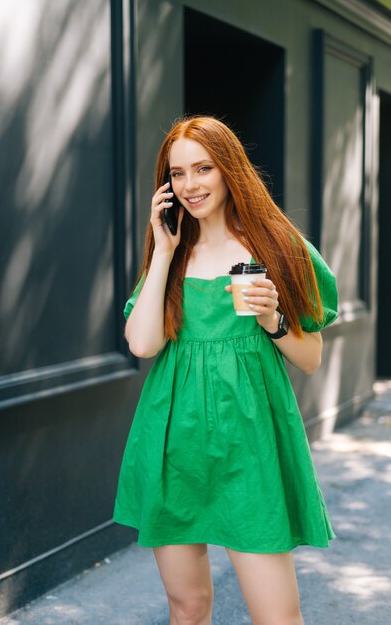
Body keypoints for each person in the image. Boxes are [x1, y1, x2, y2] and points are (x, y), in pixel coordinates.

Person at [113, 115, 338, 625]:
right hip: (174, 441)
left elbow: (312, 356)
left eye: (203, 168)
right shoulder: (170, 254)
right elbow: (143, 343)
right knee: (187, 608)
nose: (190, 185)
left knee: (278, 617)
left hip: (250, 443)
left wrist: (271, 319)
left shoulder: (279, 246)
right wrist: (165, 251)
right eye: (177, 174)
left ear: (229, 169)